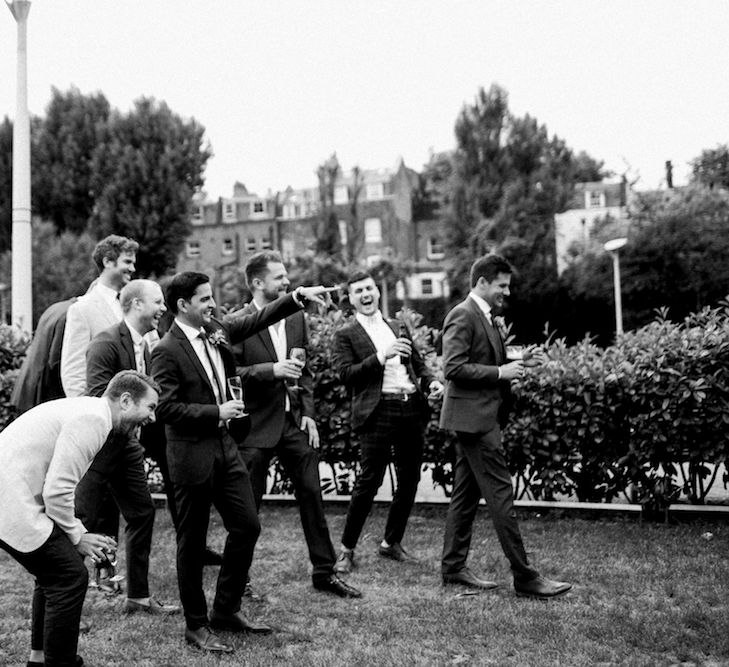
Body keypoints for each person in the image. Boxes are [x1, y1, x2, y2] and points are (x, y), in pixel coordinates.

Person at [150, 271, 334, 654]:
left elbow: (256, 319)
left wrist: (296, 296)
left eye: (211, 297)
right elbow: (164, 408)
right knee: (192, 541)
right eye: (204, 299)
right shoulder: (166, 350)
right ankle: (196, 625)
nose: (212, 304)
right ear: (183, 305)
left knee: (247, 526)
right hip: (191, 456)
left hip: (227, 447)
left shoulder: (217, 329)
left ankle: (226, 609)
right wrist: (215, 411)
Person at [0, 370, 159, 667]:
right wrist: (78, 535)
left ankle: (40, 658)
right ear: (125, 400)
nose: (152, 418)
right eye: (150, 407)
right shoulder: (94, 420)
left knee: (55, 573)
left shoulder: (88, 411)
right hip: (10, 502)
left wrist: (74, 534)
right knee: (70, 576)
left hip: (13, 497)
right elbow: (58, 490)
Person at [439, 253, 571, 599]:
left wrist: (518, 361)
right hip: (475, 423)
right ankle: (525, 576)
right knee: (501, 497)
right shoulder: (462, 315)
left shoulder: (485, 316)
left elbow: (485, 360)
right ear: (481, 282)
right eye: (502, 285)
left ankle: (453, 568)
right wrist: (501, 373)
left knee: (465, 496)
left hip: (479, 418)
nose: (506, 292)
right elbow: (453, 368)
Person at [234, 251, 361, 599]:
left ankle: (324, 572)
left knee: (312, 495)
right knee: (248, 508)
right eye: (279, 277)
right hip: (255, 428)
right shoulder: (237, 322)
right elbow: (232, 376)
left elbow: (304, 370)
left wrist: (307, 412)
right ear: (258, 283)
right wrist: (269, 372)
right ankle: (238, 577)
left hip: (293, 424)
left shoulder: (296, 318)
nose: (287, 281)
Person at [78, 279, 179, 615]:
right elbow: (97, 397)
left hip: (128, 446)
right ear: (137, 304)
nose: (163, 309)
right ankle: (65, 596)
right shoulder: (105, 344)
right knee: (80, 521)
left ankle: (137, 595)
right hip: (99, 450)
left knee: (141, 512)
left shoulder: (148, 346)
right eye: (158, 302)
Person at [331, 271, 443, 573]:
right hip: (377, 412)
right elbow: (346, 375)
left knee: (409, 480)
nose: (366, 294)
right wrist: (382, 355)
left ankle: (391, 543)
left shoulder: (396, 325)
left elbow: (417, 365)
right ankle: (346, 550)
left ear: (377, 292)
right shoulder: (346, 334)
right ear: (351, 299)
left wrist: (431, 381)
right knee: (369, 482)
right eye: (358, 291)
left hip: (411, 408)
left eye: (369, 288)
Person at [10, 298, 77, 414]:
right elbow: (56, 362)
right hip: (41, 395)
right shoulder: (72, 314)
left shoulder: (57, 308)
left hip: (25, 389)